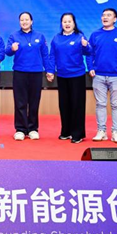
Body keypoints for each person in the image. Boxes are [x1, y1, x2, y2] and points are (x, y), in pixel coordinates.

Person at [88, 8, 117, 144]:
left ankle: (115, 132)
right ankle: (101, 131)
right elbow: (90, 53)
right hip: (99, 75)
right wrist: (90, 68)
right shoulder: (95, 34)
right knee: (100, 104)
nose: (105, 17)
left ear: (115, 19)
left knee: (116, 105)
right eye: (103, 15)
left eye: (108, 15)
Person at [46, 13, 90, 144]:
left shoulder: (79, 37)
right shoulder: (56, 38)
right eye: (64, 21)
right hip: (62, 75)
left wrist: (86, 46)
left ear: (74, 23)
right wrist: (50, 71)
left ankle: (77, 134)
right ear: (61, 24)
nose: (67, 24)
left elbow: (89, 52)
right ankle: (66, 131)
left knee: (77, 105)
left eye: (69, 21)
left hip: (77, 75)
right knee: (64, 105)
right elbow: (52, 56)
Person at [6, 12, 49, 141]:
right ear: (19, 22)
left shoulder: (40, 36)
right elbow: (7, 52)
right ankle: (20, 129)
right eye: (22, 20)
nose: (24, 22)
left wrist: (49, 70)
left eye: (27, 19)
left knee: (34, 102)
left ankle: (33, 129)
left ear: (31, 21)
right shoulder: (14, 36)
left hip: (36, 72)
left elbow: (45, 55)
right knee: (20, 101)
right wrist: (12, 49)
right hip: (20, 72)